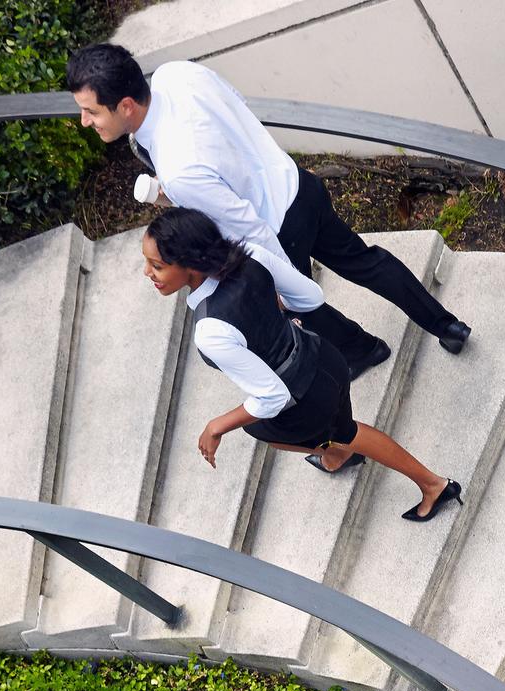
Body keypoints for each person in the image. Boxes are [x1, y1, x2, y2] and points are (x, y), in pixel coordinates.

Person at [67, 43, 472, 381]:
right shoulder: (176, 73)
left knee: (307, 306)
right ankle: (447, 325)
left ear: (125, 106)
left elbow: (245, 225)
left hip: (276, 229)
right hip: (297, 184)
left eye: (92, 112)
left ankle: (364, 350)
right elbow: (238, 106)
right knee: (365, 261)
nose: (84, 122)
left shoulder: (180, 169)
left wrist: (278, 282)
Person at [143, 207, 463, 523]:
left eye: (156, 266)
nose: (148, 273)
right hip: (324, 356)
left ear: (189, 264)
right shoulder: (248, 254)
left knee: (277, 427)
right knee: (333, 427)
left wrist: (217, 426)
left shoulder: (210, 330)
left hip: (305, 395)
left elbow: (272, 397)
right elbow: (309, 297)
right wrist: (280, 316)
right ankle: (336, 454)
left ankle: (432, 485)